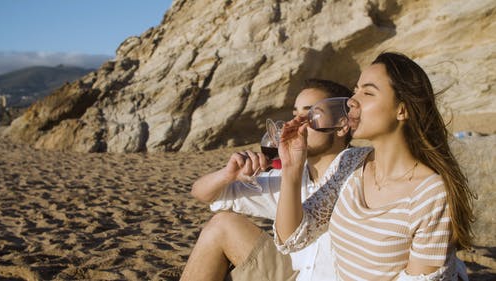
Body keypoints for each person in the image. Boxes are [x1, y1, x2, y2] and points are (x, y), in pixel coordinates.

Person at [274, 52, 474, 280]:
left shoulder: (431, 195)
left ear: (402, 110)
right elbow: (292, 237)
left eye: (368, 92)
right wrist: (291, 167)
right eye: (355, 90)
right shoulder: (350, 163)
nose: (352, 101)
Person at [180, 79, 371, 281]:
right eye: (295, 115)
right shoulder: (289, 178)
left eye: (312, 115)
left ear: (342, 125)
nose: (297, 123)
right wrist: (228, 175)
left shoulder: (365, 171)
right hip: (294, 275)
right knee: (222, 224)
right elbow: (201, 193)